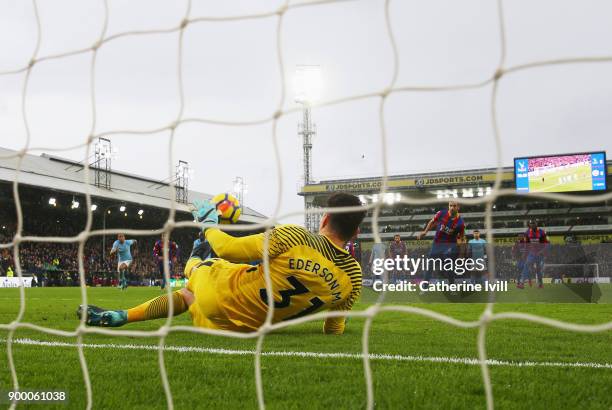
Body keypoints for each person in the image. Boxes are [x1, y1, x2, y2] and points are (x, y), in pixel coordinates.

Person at [78, 193, 366, 335]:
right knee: (191, 294)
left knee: (199, 269)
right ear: (355, 233)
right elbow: (334, 327)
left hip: (225, 295)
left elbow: (230, 248)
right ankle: (125, 314)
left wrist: (209, 225)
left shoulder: (295, 236)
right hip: (243, 329)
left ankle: (194, 251)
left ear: (325, 219)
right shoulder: (353, 276)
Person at [416, 201, 465, 285]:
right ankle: (425, 286)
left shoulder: (460, 223)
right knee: (430, 264)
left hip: (449, 245)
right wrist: (425, 232)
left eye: (454, 206)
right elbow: (432, 222)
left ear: (458, 207)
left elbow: (461, 238)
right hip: (437, 243)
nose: (452, 208)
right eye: (450, 206)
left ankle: (452, 286)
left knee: (449, 266)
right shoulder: (441, 213)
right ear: (448, 206)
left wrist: (461, 253)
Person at [519, 220, 548, 289]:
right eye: (531, 224)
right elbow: (527, 245)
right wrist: (524, 254)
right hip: (531, 253)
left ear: (536, 224)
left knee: (538, 269)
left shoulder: (541, 232)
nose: (532, 225)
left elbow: (546, 244)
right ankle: (522, 283)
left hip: (540, 254)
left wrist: (542, 252)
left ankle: (540, 284)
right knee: (526, 265)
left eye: (533, 224)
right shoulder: (527, 232)